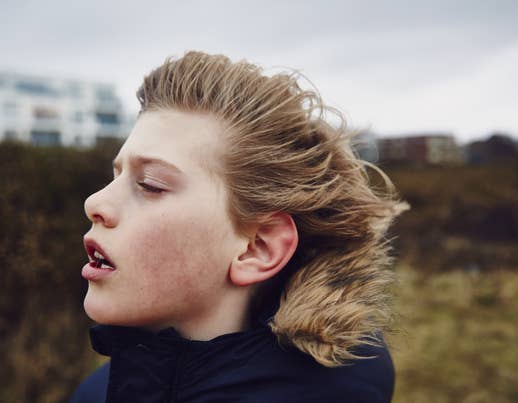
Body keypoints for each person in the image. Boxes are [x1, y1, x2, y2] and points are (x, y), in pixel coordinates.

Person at [70, 51, 407, 403]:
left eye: (151, 185)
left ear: (258, 247)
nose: (95, 203)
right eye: (116, 175)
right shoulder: (98, 392)